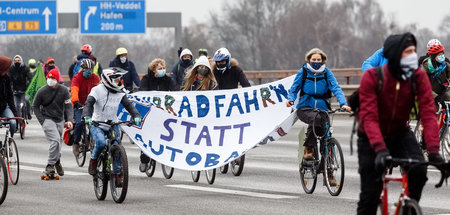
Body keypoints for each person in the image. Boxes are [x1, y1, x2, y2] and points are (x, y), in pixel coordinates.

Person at [356, 32, 444, 215]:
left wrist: (434, 152)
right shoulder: (372, 77)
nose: (413, 55)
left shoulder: (417, 77)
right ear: (394, 55)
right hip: (370, 137)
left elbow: (428, 114)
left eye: (414, 51)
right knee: (370, 196)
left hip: (400, 132)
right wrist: (380, 149)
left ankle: (409, 210)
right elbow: (370, 118)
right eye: (407, 51)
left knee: (419, 171)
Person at [286, 48, 351, 185]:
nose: (316, 62)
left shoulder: (327, 73)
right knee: (315, 119)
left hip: (323, 110)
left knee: (326, 140)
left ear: (323, 60)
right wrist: (291, 99)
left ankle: (329, 172)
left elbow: (336, 88)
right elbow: (294, 88)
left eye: (318, 60)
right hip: (305, 108)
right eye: (313, 59)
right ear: (309, 60)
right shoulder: (303, 72)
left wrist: (343, 104)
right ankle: (309, 148)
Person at [82, 68, 141, 185]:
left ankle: (118, 174)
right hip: (97, 123)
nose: (119, 82)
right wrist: (86, 116)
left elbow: (129, 105)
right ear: (108, 79)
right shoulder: (97, 90)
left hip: (113, 124)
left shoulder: (120, 92)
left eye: (119, 79)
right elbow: (88, 104)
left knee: (116, 146)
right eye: (116, 79)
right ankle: (93, 161)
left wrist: (136, 115)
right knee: (101, 143)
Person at [138, 58, 176, 172]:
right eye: (160, 68)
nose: (162, 70)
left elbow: (176, 91)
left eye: (164, 68)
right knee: (147, 136)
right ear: (154, 69)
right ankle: (144, 159)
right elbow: (143, 92)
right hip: (150, 112)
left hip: (163, 112)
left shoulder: (168, 79)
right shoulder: (146, 79)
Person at [33, 69, 73, 177]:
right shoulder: (42, 91)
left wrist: (69, 119)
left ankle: (57, 161)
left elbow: (68, 106)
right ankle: (50, 165)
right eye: (49, 78)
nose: (50, 80)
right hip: (47, 119)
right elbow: (35, 106)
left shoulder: (64, 90)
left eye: (53, 78)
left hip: (60, 119)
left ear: (57, 80)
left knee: (58, 143)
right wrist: (42, 121)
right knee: (55, 141)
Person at [70, 59, 100, 156]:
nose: (89, 71)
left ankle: (91, 140)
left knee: (96, 123)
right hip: (79, 105)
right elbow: (74, 90)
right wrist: (75, 101)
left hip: (91, 105)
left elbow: (100, 90)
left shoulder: (95, 78)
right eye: (86, 69)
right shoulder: (77, 78)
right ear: (82, 69)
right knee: (79, 123)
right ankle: (76, 143)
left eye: (90, 69)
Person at [421, 40, 450, 110]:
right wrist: (435, 96)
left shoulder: (446, 65)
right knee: (433, 114)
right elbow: (423, 86)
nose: (442, 56)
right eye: (439, 55)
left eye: (442, 54)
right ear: (434, 57)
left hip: (444, 92)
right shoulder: (426, 67)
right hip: (431, 94)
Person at [8, 55, 32, 120]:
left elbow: (30, 78)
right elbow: (9, 79)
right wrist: (10, 87)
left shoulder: (25, 68)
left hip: (24, 89)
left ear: (21, 61)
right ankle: (18, 119)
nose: (17, 62)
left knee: (27, 100)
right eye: (15, 61)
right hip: (15, 90)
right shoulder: (11, 69)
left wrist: (28, 85)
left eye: (18, 61)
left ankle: (28, 113)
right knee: (16, 106)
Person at [0, 56, 17, 137]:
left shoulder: (6, 78)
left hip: (4, 107)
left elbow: (10, 96)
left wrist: (15, 112)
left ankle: (9, 141)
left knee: (13, 123)